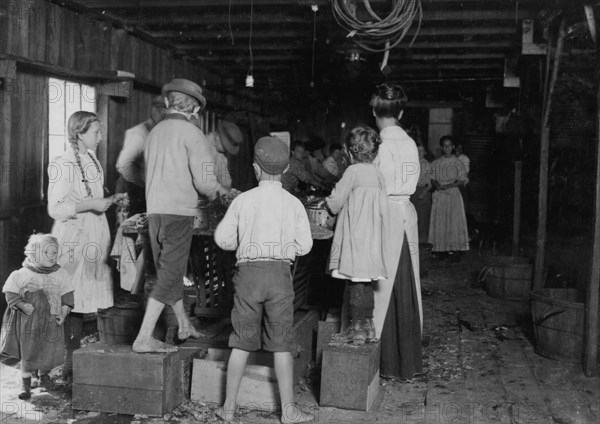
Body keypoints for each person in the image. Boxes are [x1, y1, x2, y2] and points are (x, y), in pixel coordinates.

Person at [214, 136, 314, 424]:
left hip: (248, 276)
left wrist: (243, 242)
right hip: (280, 276)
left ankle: (229, 409)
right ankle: (289, 411)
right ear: (284, 171)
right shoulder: (293, 203)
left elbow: (222, 239)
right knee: (282, 343)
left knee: (241, 342)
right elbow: (305, 245)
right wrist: (284, 250)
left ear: (256, 169)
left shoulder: (243, 200)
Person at [132, 78, 221, 354]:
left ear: (169, 102)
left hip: (155, 211)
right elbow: (206, 182)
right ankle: (144, 337)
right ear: (195, 109)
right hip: (178, 213)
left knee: (166, 272)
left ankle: (184, 324)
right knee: (170, 275)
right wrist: (223, 192)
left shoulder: (155, 132)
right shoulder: (194, 135)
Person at [47, 111, 125, 378]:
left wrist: (113, 199)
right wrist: (91, 205)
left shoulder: (91, 159)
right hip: (74, 236)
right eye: (96, 132)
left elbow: (94, 193)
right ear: (79, 134)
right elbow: (55, 208)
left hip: (94, 233)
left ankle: (83, 359)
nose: (101, 137)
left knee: (88, 296)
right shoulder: (64, 164)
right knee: (71, 297)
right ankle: (67, 359)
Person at [371, 83, 423, 379]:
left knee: (382, 285)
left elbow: (374, 184)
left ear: (374, 112)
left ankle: (385, 363)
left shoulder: (379, 145)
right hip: (405, 213)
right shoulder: (409, 143)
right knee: (405, 282)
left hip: (384, 214)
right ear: (400, 112)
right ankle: (408, 362)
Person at [327, 126, 390, 345]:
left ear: (350, 152)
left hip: (355, 236)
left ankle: (355, 329)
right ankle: (368, 326)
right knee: (366, 283)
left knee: (355, 282)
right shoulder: (377, 173)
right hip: (372, 238)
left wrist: (329, 206)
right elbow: (384, 207)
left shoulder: (352, 172)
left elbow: (335, 202)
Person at [0, 234, 74, 400]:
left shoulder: (60, 273)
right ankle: (25, 384)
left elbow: (68, 295)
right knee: (29, 351)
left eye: (54, 253)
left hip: (51, 320)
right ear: (32, 254)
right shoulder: (21, 274)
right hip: (29, 322)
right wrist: (21, 304)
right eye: (46, 252)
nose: (51, 256)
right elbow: (10, 293)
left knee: (48, 349)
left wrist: (63, 313)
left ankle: (43, 377)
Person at [116, 95, 167, 216]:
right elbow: (123, 165)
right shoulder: (140, 133)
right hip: (132, 191)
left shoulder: (160, 132)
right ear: (155, 113)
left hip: (147, 193)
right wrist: (145, 185)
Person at [429, 135, 470, 261]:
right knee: (440, 221)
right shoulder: (436, 162)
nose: (447, 148)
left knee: (453, 221)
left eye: (449, 146)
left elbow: (463, 180)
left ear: (453, 147)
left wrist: (449, 185)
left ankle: (453, 249)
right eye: (444, 146)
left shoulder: (458, 163)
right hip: (440, 194)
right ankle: (440, 249)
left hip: (453, 194)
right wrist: (437, 184)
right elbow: (432, 177)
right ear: (442, 147)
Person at [205, 120, 243, 190]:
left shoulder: (220, 155)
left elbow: (225, 179)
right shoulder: (202, 148)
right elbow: (205, 182)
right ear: (218, 138)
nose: (226, 151)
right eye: (225, 147)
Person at [411, 145, 433, 246]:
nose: (419, 152)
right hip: (413, 191)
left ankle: (423, 241)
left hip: (423, 191)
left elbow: (430, 184)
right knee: (414, 217)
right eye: (417, 150)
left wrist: (423, 193)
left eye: (421, 151)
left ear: (425, 152)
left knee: (423, 217)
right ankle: (414, 240)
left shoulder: (427, 164)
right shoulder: (412, 163)